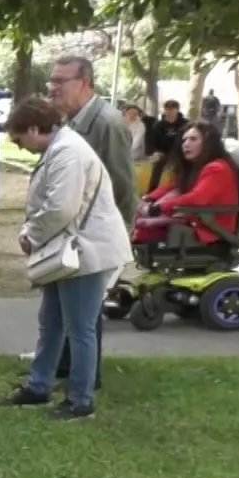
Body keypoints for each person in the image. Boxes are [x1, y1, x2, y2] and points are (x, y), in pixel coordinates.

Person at [0, 98, 130, 420]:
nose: (20, 146)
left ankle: (81, 400)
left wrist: (32, 234)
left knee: (80, 328)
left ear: (33, 128)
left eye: (19, 139)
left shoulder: (67, 151)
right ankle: (39, 386)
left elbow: (61, 208)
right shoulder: (63, 147)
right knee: (53, 322)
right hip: (72, 249)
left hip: (86, 252)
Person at [46, 55, 136, 389]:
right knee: (70, 300)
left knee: (87, 306)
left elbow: (123, 184)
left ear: (84, 83)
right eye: (51, 81)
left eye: (60, 81)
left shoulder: (107, 123)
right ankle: (65, 367)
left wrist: (118, 230)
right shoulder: (73, 119)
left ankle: (85, 377)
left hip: (96, 231)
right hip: (75, 229)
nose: (52, 88)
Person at [133, 121, 239, 246]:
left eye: (193, 139)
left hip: (209, 229)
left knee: (134, 229)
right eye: (184, 140)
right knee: (133, 224)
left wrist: (157, 208)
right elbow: (174, 187)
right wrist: (149, 199)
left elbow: (196, 198)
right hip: (193, 220)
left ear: (209, 143)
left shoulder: (217, 168)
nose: (186, 144)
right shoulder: (198, 166)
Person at [145, 100, 188, 190]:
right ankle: (152, 190)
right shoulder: (159, 125)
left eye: (172, 109)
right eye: (168, 109)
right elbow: (151, 141)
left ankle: (182, 188)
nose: (170, 112)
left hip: (181, 152)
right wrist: (155, 152)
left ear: (177, 110)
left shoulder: (185, 124)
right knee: (158, 163)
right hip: (163, 153)